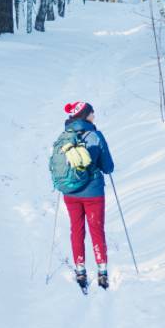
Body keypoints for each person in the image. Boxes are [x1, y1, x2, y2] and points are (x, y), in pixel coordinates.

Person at [55, 101, 114, 290]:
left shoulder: (64, 137)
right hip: (93, 194)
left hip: (70, 192)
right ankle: (102, 273)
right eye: (92, 113)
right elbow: (108, 167)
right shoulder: (95, 135)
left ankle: (80, 271)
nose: (94, 116)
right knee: (97, 230)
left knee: (77, 230)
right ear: (85, 115)